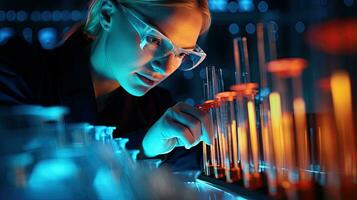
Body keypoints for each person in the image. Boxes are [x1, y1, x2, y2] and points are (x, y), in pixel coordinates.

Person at [0, 0, 212, 170]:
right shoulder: (18, 74)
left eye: (181, 53)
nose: (165, 67)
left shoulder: (159, 111)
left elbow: (210, 166)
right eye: (154, 39)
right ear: (107, 14)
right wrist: (143, 147)